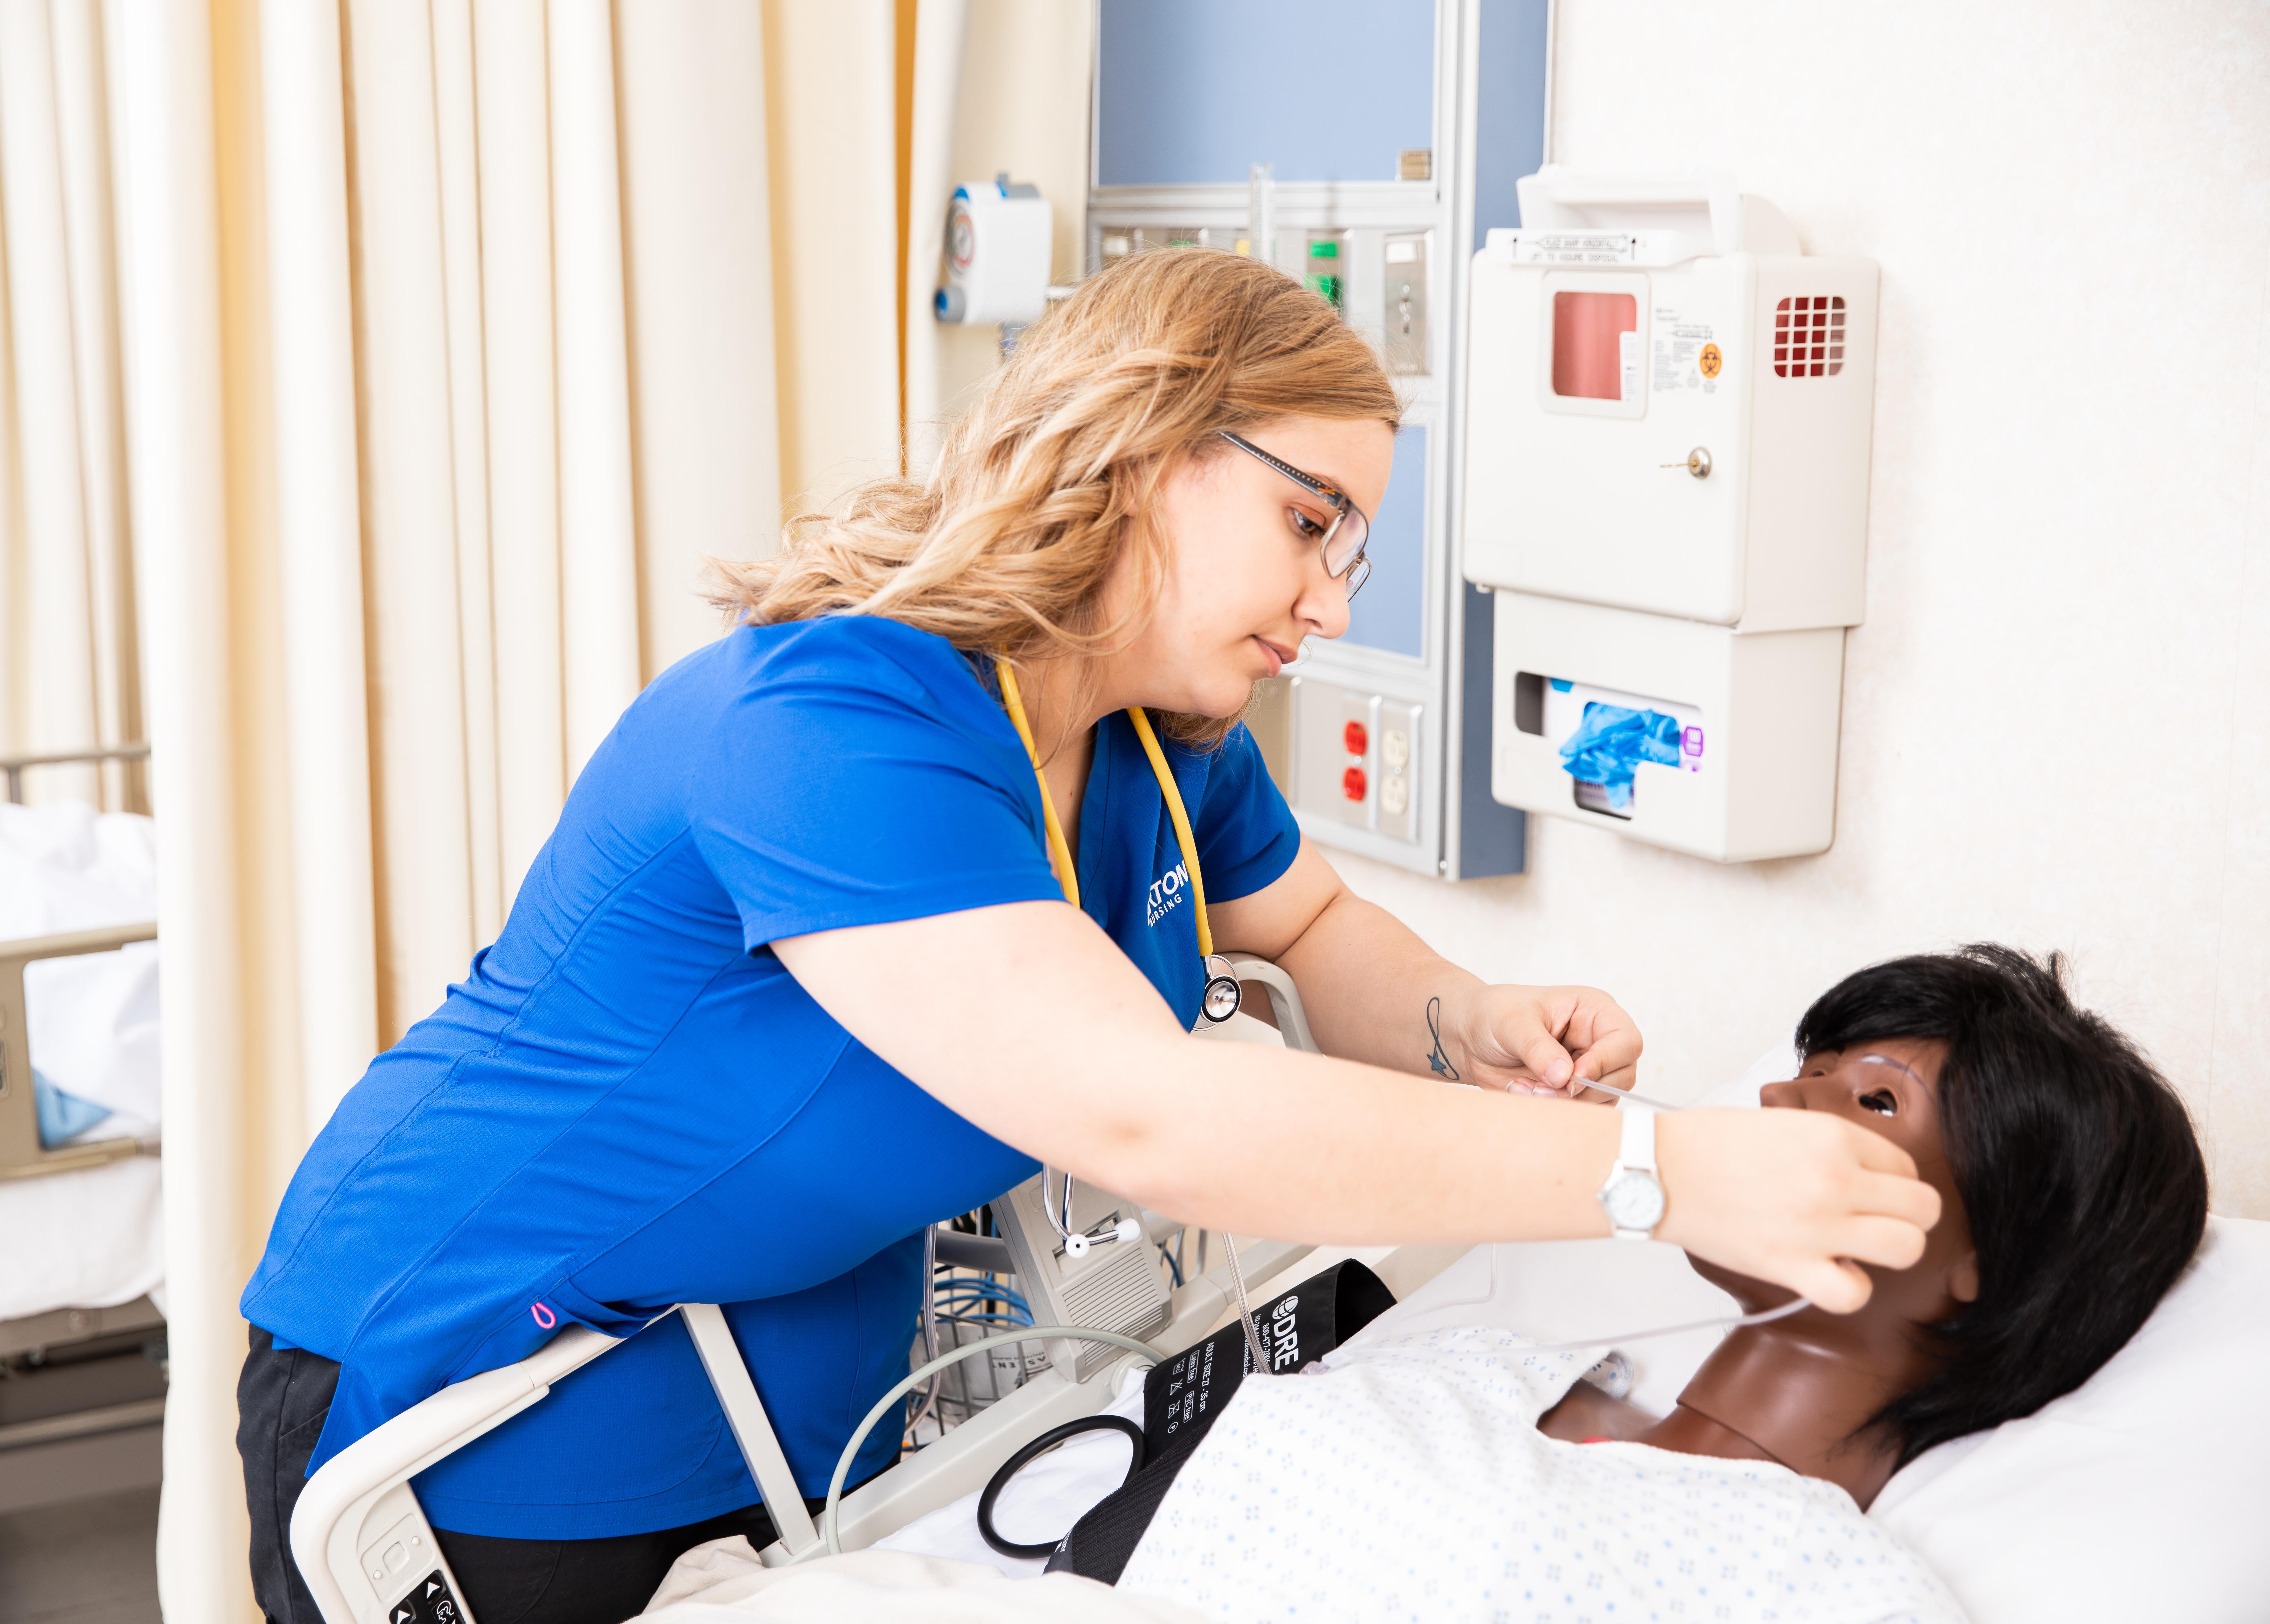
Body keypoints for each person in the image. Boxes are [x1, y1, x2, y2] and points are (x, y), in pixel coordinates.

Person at [235, 248, 1939, 1624]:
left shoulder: (1153, 745)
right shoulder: (832, 720)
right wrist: (1658, 1172)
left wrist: (1466, 1018)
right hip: (490, 1403)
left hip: (784, 1444)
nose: (1336, 602)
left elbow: (1317, 926)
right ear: (1142, 444)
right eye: (1310, 522)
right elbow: (1158, 1113)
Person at [1108, 945, 2209, 1621]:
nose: (1779, 1107)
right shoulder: (1484, 1365)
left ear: (1985, 1263)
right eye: (1807, 1075)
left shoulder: (1831, 1595)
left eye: (1874, 1104)